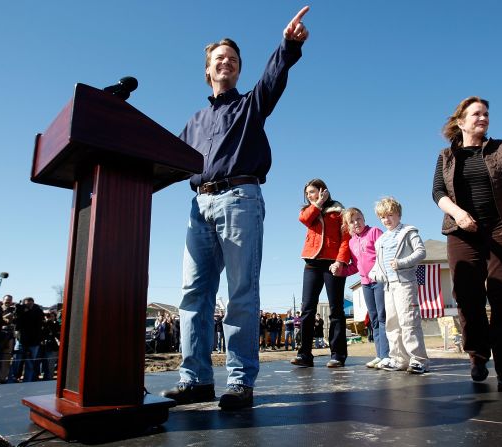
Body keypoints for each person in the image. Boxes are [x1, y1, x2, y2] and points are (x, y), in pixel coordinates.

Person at [161, 7, 310, 410]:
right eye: (218, 59)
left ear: (239, 70)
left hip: (240, 199)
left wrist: (289, 45)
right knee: (193, 296)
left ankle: (240, 381)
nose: (225, 62)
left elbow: (273, 80)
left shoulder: (250, 105)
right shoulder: (193, 121)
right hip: (198, 206)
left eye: (232, 59)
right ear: (207, 70)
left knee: (241, 292)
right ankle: (195, 380)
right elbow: (165, 158)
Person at [432, 96, 502, 391]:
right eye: (476, 114)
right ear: (461, 121)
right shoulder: (446, 157)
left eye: (486, 113)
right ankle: (478, 355)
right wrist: (458, 214)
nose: (483, 117)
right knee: (467, 295)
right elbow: (438, 192)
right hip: (463, 230)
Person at [290, 178, 350, 368]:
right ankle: (304, 354)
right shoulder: (308, 210)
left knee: (336, 309)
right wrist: (317, 204)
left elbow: (346, 238)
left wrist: (341, 260)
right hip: (312, 264)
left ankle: (338, 355)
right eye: (307, 193)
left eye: (312, 192)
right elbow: (305, 220)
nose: (309, 196)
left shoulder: (339, 210)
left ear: (323, 190)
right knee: (307, 309)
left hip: (333, 264)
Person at [368, 197, 429, 374]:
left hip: (405, 284)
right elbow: (377, 265)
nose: (387, 220)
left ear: (398, 214)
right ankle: (399, 359)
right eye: (382, 217)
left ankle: (419, 359)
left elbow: (421, 252)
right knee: (392, 323)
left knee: (408, 321)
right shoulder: (381, 240)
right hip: (389, 287)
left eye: (390, 215)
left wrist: (402, 263)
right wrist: (374, 274)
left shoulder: (409, 232)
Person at [339, 207, 389, 368]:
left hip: (380, 281)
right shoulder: (352, 241)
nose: (356, 223)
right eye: (352, 222)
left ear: (364, 218)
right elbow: (356, 266)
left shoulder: (374, 232)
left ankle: (387, 355)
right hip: (366, 284)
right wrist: (343, 271)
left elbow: (385, 253)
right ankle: (379, 355)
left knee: (383, 317)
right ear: (347, 226)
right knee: (373, 320)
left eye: (358, 219)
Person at [12, 297, 44, 382]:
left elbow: (38, 322)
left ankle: (27, 380)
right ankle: (13, 379)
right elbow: (16, 322)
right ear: (24, 303)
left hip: (34, 341)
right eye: (27, 303)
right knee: (16, 362)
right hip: (21, 340)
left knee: (30, 363)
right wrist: (19, 310)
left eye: (31, 303)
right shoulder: (20, 310)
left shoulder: (38, 311)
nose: (29, 304)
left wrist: (26, 312)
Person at [0, 295, 16, 383]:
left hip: (9, 337)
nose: (8, 302)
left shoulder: (14, 310)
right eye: (6, 300)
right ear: (3, 300)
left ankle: (2, 378)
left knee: (6, 358)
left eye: (9, 301)